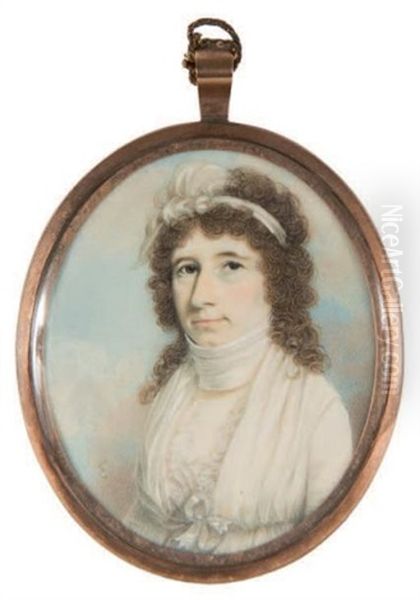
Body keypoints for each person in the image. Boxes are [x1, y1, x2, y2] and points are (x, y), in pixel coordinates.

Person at [125, 162, 353, 554]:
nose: (201, 297)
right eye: (187, 269)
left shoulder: (317, 410)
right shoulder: (173, 395)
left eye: (231, 265)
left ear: (275, 281)